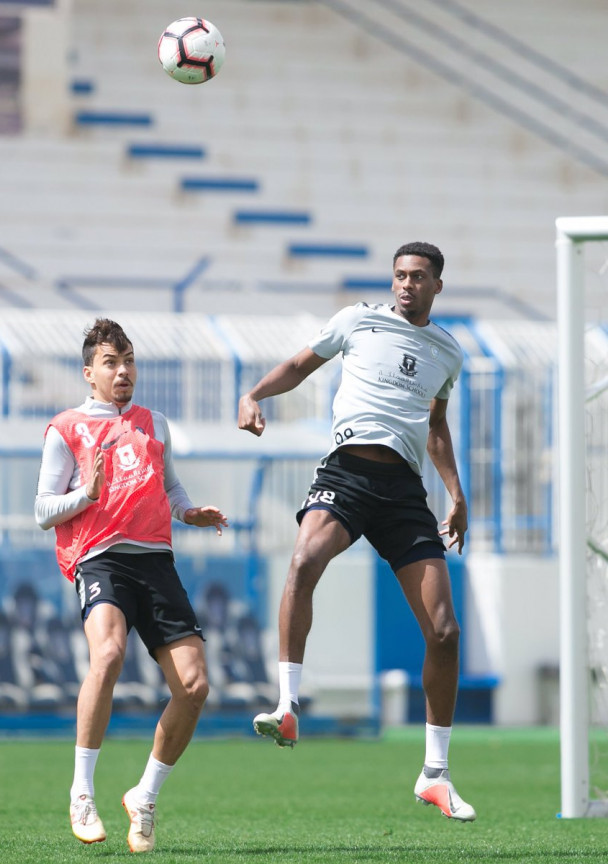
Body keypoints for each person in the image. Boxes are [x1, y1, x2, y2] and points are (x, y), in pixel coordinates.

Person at [237, 242, 476, 822]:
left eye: (418, 277)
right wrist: (253, 395)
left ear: (437, 286)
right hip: (346, 474)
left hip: (402, 494)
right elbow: (300, 365)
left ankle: (435, 775)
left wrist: (456, 493)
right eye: (399, 275)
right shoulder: (356, 321)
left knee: (444, 632)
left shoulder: (448, 352)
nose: (406, 284)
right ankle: (288, 704)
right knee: (302, 564)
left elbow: (437, 427)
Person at [35, 318, 228, 852]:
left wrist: (188, 511)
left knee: (194, 687)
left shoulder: (154, 423)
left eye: (129, 362)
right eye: (111, 363)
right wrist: (87, 495)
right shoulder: (65, 427)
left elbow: (168, 484)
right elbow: (42, 510)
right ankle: (81, 791)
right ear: (88, 373)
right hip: (100, 559)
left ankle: (143, 796)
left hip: (156, 562)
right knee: (109, 654)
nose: (123, 372)